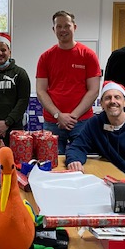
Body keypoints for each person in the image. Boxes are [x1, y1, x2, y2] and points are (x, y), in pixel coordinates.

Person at [36, 10, 101, 153]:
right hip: (53, 122)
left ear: (74, 27)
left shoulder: (88, 55)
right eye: (59, 26)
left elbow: (94, 90)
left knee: (83, 163)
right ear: (54, 30)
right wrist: (58, 115)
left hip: (82, 121)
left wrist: (72, 117)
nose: (63, 30)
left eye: (67, 25)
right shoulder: (45, 57)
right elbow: (41, 91)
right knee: (51, 164)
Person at [65, 81, 125, 175]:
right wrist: (74, 160)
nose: (112, 101)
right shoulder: (95, 124)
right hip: (107, 174)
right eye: (107, 98)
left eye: (117, 97)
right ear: (102, 104)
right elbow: (78, 147)